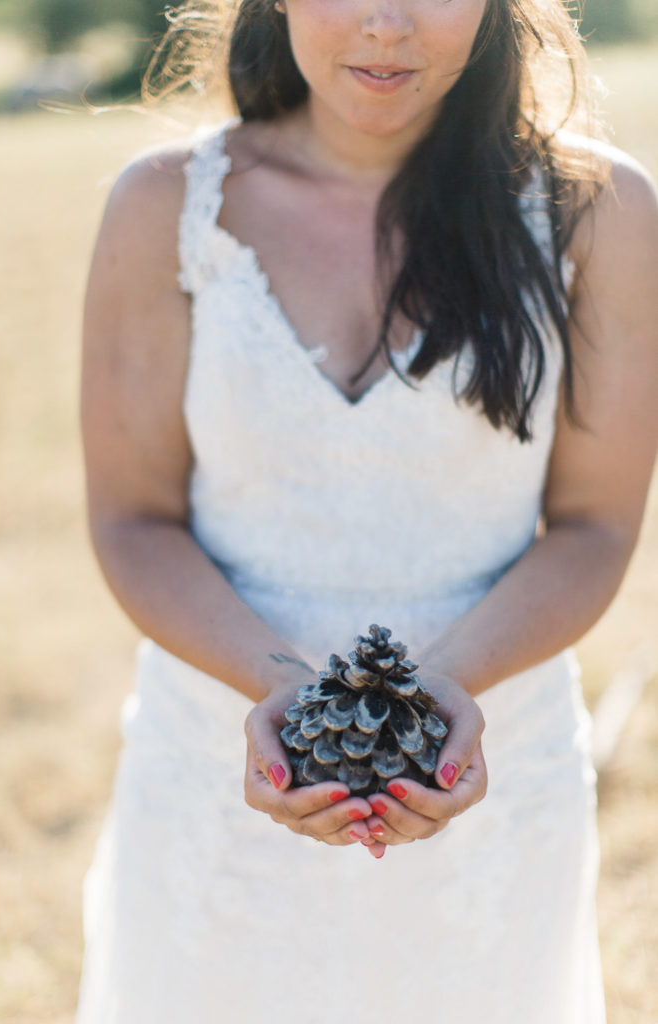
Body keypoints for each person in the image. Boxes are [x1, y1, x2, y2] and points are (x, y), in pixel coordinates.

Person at [75, 0, 658, 1020]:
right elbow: (132, 518)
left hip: (485, 779)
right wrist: (283, 696)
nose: (386, 24)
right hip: (214, 777)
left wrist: (443, 688)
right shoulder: (162, 204)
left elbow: (594, 526)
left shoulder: (598, 211)